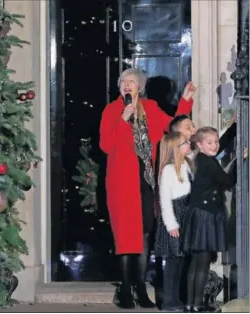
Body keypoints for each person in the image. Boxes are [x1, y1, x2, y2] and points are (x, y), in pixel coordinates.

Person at [99, 67, 196, 309]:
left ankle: (140, 287)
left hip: (147, 181)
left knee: (143, 234)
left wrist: (185, 100)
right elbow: (105, 145)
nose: (127, 85)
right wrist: (122, 120)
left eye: (132, 81)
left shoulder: (150, 108)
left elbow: (173, 127)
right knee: (124, 236)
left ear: (140, 87)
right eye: (123, 81)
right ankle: (124, 288)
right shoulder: (111, 110)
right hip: (121, 182)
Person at [181, 127, 244, 312]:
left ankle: (191, 304)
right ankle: (197, 304)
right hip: (205, 215)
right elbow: (228, 181)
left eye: (216, 142)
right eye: (210, 143)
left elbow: (219, 143)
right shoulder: (208, 162)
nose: (215, 145)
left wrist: (234, 127)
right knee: (202, 262)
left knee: (196, 262)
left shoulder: (200, 159)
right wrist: (240, 161)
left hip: (199, 213)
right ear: (199, 145)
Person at [154, 132, 193, 312]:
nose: (188, 144)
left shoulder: (187, 164)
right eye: (184, 143)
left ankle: (177, 298)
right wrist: (171, 224)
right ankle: (169, 301)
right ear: (175, 149)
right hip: (175, 217)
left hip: (186, 215)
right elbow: (165, 199)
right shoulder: (169, 170)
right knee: (173, 262)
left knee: (181, 261)